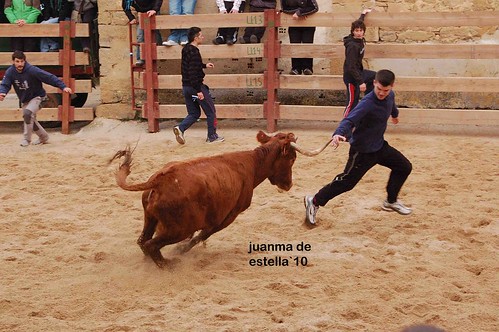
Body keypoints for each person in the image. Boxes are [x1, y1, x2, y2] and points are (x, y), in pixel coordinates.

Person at [304, 69, 412, 225]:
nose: (381, 93)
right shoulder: (367, 103)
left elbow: (391, 105)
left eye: (385, 90)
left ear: (392, 87)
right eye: (379, 89)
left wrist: (395, 115)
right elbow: (349, 120)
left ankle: (391, 200)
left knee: (404, 167)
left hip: (379, 147)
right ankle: (314, 201)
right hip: (362, 152)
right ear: (374, 83)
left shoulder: (390, 96)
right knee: (346, 182)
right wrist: (338, 133)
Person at [0, 50, 73, 146]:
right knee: (30, 120)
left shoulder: (32, 70)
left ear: (25, 61)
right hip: (25, 100)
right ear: (13, 62)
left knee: (28, 113)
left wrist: (63, 86)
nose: (20, 64)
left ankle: (26, 140)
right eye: (17, 61)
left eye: (22, 61)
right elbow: (5, 84)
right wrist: (2, 93)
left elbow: (49, 77)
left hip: (39, 98)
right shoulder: (10, 72)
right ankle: (44, 137)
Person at [173, 27, 224, 144]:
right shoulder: (195, 52)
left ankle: (180, 128)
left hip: (186, 87)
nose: (203, 37)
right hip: (195, 87)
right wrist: (198, 91)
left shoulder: (186, 49)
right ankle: (212, 136)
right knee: (211, 111)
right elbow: (193, 72)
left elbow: (191, 66)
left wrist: (204, 65)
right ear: (195, 38)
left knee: (194, 113)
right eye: (201, 35)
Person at [343, 8, 376, 117]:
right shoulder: (352, 46)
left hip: (359, 72)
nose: (359, 33)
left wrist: (363, 14)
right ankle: (343, 127)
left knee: (375, 77)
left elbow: (359, 22)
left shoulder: (359, 39)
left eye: (361, 30)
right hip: (351, 78)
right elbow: (350, 66)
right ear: (352, 32)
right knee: (352, 103)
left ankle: (368, 101)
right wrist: (361, 82)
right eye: (356, 31)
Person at [281, 0, 318, 75]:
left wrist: (300, 12)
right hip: (293, 23)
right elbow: (284, 8)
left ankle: (307, 68)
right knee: (294, 45)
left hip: (308, 24)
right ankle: (296, 68)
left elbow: (314, 7)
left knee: (307, 45)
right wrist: (298, 12)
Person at [122, 0, 163, 66]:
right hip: (141, 13)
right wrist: (131, 18)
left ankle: (160, 53)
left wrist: (155, 9)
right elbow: (125, 6)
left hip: (152, 10)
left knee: (155, 33)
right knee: (140, 35)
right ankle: (140, 58)